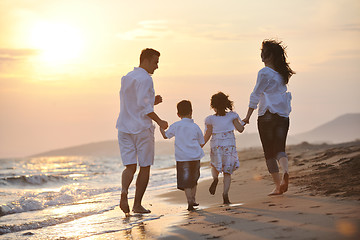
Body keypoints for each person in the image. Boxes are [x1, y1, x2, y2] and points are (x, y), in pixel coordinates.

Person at [116, 48, 168, 215]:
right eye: (155, 62)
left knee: (130, 167)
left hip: (124, 128)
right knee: (145, 166)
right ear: (145, 60)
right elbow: (144, 107)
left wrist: (152, 101)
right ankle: (137, 205)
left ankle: (124, 193)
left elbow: (135, 103)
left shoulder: (127, 77)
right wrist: (160, 121)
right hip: (141, 129)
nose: (157, 66)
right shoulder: (146, 79)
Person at [242, 39, 295, 196]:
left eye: (263, 51)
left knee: (269, 153)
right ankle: (285, 170)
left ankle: (278, 187)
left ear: (268, 55)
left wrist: (247, 116)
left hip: (266, 115)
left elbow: (256, 94)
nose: (261, 54)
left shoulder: (264, 72)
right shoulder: (281, 74)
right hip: (283, 116)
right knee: (280, 149)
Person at [160, 100, 205, 211]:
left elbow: (166, 136)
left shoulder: (176, 126)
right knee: (194, 180)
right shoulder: (195, 127)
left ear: (178, 114)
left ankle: (189, 200)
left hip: (182, 158)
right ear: (191, 112)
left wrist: (161, 128)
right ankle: (193, 200)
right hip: (194, 157)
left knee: (186, 181)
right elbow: (201, 141)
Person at [203, 92, 245, 204]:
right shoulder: (232, 116)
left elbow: (208, 134)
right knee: (227, 172)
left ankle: (215, 179)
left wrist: (200, 145)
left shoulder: (210, 119)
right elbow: (240, 129)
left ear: (213, 106)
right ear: (226, 103)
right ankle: (225, 195)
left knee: (215, 166)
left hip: (216, 146)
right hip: (229, 146)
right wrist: (243, 122)